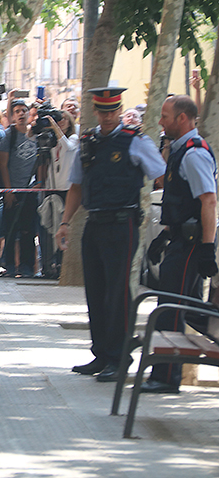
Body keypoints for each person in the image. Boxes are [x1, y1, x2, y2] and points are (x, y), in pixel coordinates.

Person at [56, 87, 165, 383]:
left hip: (123, 223)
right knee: (96, 290)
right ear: (95, 111)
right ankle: (101, 353)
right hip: (95, 222)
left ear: (120, 111)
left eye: (112, 111)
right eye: (102, 112)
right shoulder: (88, 143)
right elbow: (76, 186)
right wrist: (65, 222)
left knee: (118, 292)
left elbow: (160, 171)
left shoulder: (135, 141)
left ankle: (119, 357)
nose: (106, 117)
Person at [143, 95, 217, 393]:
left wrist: (206, 248)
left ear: (183, 119)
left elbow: (208, 201)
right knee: (192, 310)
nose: (160, 121)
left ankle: (166, 376)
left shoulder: (193, 153)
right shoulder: (178, 151)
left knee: (170, 308)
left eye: (165, 116)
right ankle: (168, 371)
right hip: (180, 239)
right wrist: (164, 236)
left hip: (190, 244)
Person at [0, 99, 38, 278]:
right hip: (12, 191)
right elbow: (3, 164)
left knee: (28, 230)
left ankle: (27, 266)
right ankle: (10, 266)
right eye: (17, 111)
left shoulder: (37, 134)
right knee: (10, 229)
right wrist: (8, 190)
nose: (21, 114)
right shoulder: (10, 135)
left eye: (24, 110)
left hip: (31, 191)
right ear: (12, 115)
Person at [36, 110, 78, 279]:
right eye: (58, 119)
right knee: (48, 226)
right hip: (51, 187)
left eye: (64, 119)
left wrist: (53, 124)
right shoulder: (51, 140)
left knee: (62, 225)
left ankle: (61, 263)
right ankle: (48, 264)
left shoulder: (74, 138)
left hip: (66, 189)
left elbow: (67, 146)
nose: (61, 122)